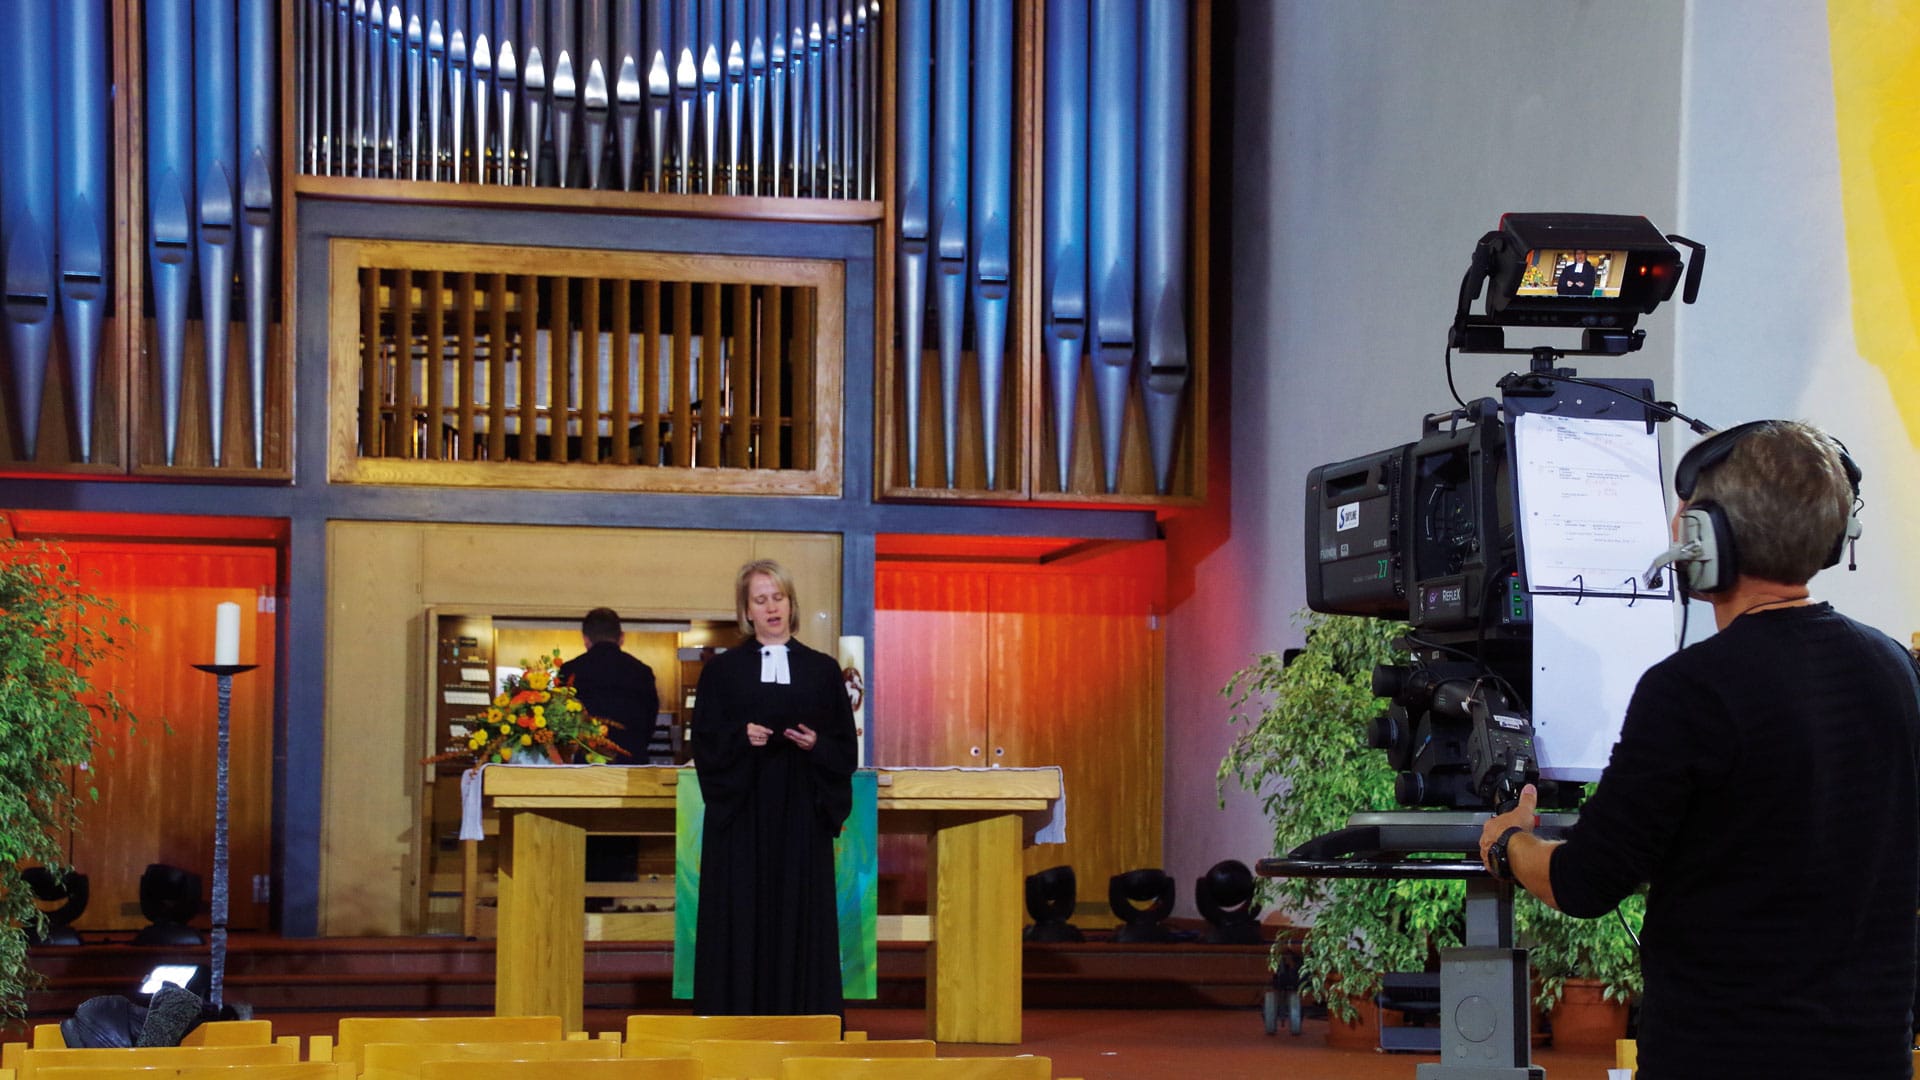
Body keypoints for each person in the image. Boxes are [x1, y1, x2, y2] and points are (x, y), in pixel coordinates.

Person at [1479, 420, 1920, 1078]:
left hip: (1722, 1056)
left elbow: (1585, 881)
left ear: (1705, 540)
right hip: (1868, 1057)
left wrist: (1507, 845)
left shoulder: (1689, 690)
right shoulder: (1896, 669)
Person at [690, 559, 858, 1016]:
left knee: (798, 916)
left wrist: (816, 743)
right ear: (746, 611)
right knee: (741, 915)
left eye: (778, 597)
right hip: (743, 817)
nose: (771, 608)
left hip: (801, 814)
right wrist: (739, 738)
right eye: (760, 600)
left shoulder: (822, 671)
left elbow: (845, 751)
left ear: (791, 603)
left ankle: (803, 1016)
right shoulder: (722, 673)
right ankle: (734, 1017)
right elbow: (703, 742)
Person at [559, 608, 660, 883]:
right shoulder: (641, 672)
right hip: (630, 771)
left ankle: (582, 907)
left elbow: (559, 729)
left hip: (581, 773)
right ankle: (621, 910)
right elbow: (649, 724)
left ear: (585, 639)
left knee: (582, 848)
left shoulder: (569, 671)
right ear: (622, 637)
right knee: (621, 847)